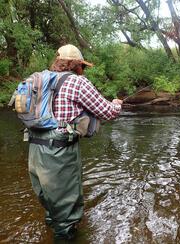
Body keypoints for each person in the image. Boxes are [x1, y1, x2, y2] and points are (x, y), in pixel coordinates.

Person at [28, 44, 123, 240]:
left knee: (50, 200)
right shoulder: (78, 82)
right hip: (60, 153)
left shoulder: (38, 78)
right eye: (83, 66)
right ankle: (64, 235)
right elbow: (107, 112)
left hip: (35, 148)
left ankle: (52, 225)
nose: (83, 70)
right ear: (76, 64)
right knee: (66, 213)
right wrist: (116, 104)